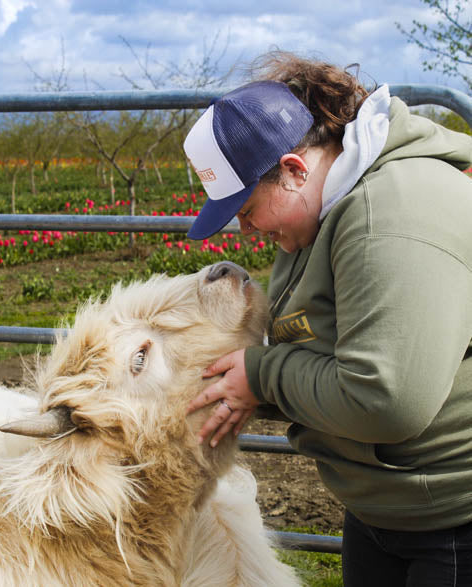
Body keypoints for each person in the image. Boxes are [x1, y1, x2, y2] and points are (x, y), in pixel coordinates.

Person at [184, 51, 472, 587]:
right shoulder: (319, 213)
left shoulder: (389, 217)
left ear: (294, 170)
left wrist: (263, 374)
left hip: (452, 520)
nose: (244, 231)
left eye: (246, 210)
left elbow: (387, 399)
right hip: (388, 506)